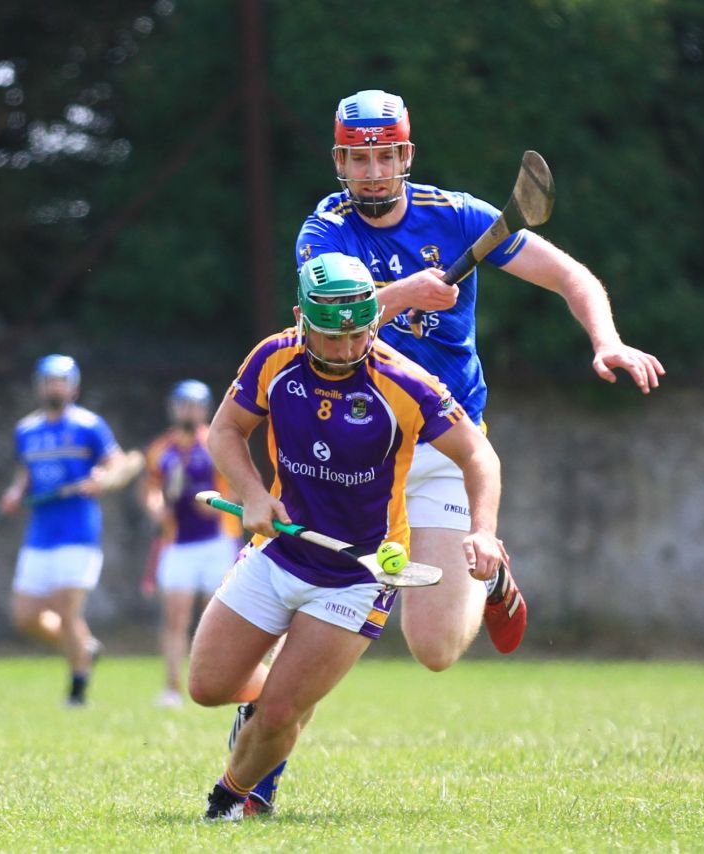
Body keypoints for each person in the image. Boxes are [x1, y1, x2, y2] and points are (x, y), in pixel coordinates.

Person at [294, 89, 665, 669]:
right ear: (339, 163)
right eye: (359, 159)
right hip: (357, 442)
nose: (373, 173)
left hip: (446, 438)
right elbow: (319, 321)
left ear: (406, 155)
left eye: (385, 156)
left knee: (435, 650)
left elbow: (570, 275)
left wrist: (607, 340)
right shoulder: (325, 231)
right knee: (297, 583)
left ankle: (493, 584)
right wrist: (402, 295)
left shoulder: (458, 216)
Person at [190, 253, 509, 820]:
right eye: (329, 337)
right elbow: (225, 431)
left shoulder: (405, 381)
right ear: (300, 318)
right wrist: (255, 493)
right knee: (208, 687)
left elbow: (478, 454)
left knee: (284, 711)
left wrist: (483, 531)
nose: (343, 350)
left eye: (357, 334)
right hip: (279, 551)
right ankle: (266, 714)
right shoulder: (274, 357)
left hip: (359, 574)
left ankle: (230, 796)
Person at [0, 354, 133, 706]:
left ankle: (77, 689)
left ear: (73, 386)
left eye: (61, 380)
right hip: (39, 533)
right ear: (39, 386)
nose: (54, 386)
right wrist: (15, 493)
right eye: (48, 380)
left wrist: (102, 478)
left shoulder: (89, 425)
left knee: (66, 612)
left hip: (78, 533)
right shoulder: (26, 430)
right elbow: (26, 472)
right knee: (25, 617)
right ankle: (84, 647)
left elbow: (119, 462)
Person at [139, 379, 242, 709]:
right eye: (183, 404)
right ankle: (171, 686)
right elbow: (150, 487)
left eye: (195, 404)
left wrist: (218, 502)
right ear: (174, 407)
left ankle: (220, 684)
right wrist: (155, 505)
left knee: (217, 617)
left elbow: (240, 487)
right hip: (177, 543)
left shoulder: (217, 442)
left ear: (205, 408)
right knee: (175, 618)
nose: (189, 410)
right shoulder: (161, 448)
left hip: (217, 543)